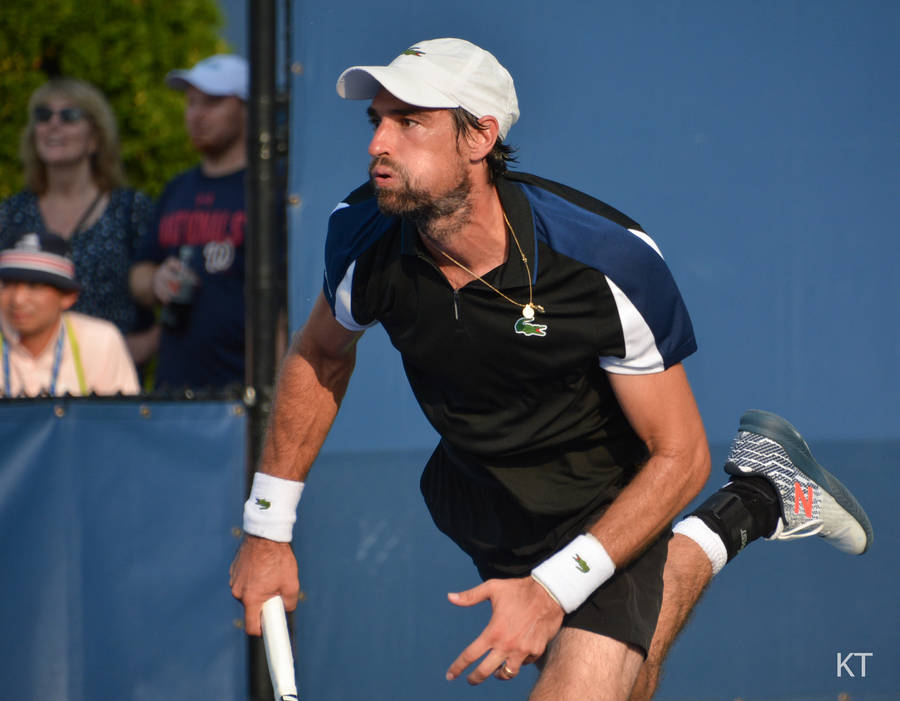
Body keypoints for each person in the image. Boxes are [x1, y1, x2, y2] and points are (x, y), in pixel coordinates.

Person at [228, 39, 873, 701]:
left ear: (480, 137)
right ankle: (759, 498)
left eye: (410, 122)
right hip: (484, 500)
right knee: (628, 684)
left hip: (610, 498)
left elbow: (681, 457)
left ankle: (755, 499)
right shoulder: (361, 236)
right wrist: (267, 529)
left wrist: (552, 590)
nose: (377, 145)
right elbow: (321, 354)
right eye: (377, 121)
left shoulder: (607, 263)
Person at [0, 78, 157, 367]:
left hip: (112, 376)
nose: (53, 124)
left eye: (69, 116)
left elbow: (163, 292)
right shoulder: (11, 213)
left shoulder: (131, 209)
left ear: (95, 138)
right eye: (43, 115)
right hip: (28, 376)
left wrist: (147, 344)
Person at [129, 54, 257, 390]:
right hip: (173, 390)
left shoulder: (270, 189)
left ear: (248, 108)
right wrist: (156, 280)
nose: (196, 115)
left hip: (243, 390)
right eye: (191, 102)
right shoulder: (177, 188)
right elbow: (139, 271)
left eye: (212, 102)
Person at [0, 232, 140, 396]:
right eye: (7, 284)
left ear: (68, 297)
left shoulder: (100, 342)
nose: (18, 299)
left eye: (34, 286)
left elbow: (121, 412)